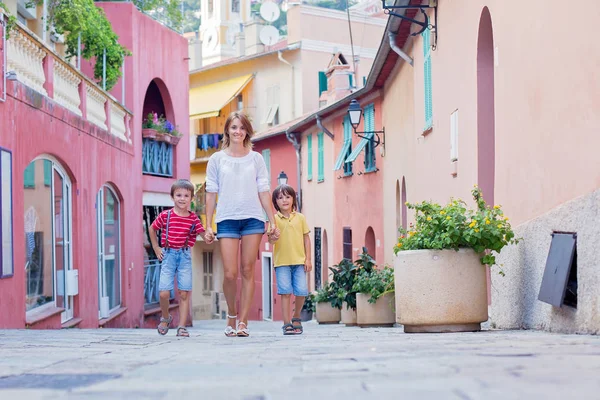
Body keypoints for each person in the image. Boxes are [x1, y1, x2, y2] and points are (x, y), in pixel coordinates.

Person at [204, 111, 279, 337]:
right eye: (234, 127)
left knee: (247, 270)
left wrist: (272, 221)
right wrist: (208, 225)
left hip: (252, 219)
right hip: (226, 218)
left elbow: (264, 191)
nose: (238, 131)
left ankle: (244, 322)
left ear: (247, 131)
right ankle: (232, 314)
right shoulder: (216, 159)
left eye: (242, 128)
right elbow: (210, 193)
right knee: (230, 273)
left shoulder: (256, 159)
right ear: (227, 130)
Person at [149, 179, 205, 337]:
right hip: (168, 255)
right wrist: (156, 247)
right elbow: (152, 229)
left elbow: (202, 234)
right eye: (178, 195)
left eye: (186, 195)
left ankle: (182, 327)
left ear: (191, 198)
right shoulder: (165, 216)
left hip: (185, 256)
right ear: (172, 197)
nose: (182, 198)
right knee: (163, 293)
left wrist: (208, 235)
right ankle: (166, 317)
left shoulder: (193, 218)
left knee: (184, 293)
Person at [269, 184, 312, 335]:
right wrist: (273, 236)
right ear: (275, 202)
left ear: (293, 199)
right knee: (285, 292)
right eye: (280, 198)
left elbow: (306, 238)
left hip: (299, 261)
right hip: (282, 262)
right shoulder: (274, 219)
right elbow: (271, 241)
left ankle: (296, 317)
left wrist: (308, 259)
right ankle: (286, 323)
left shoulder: (300, 218)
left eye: (287, 196)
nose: (284, 200)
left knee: (301, 291)